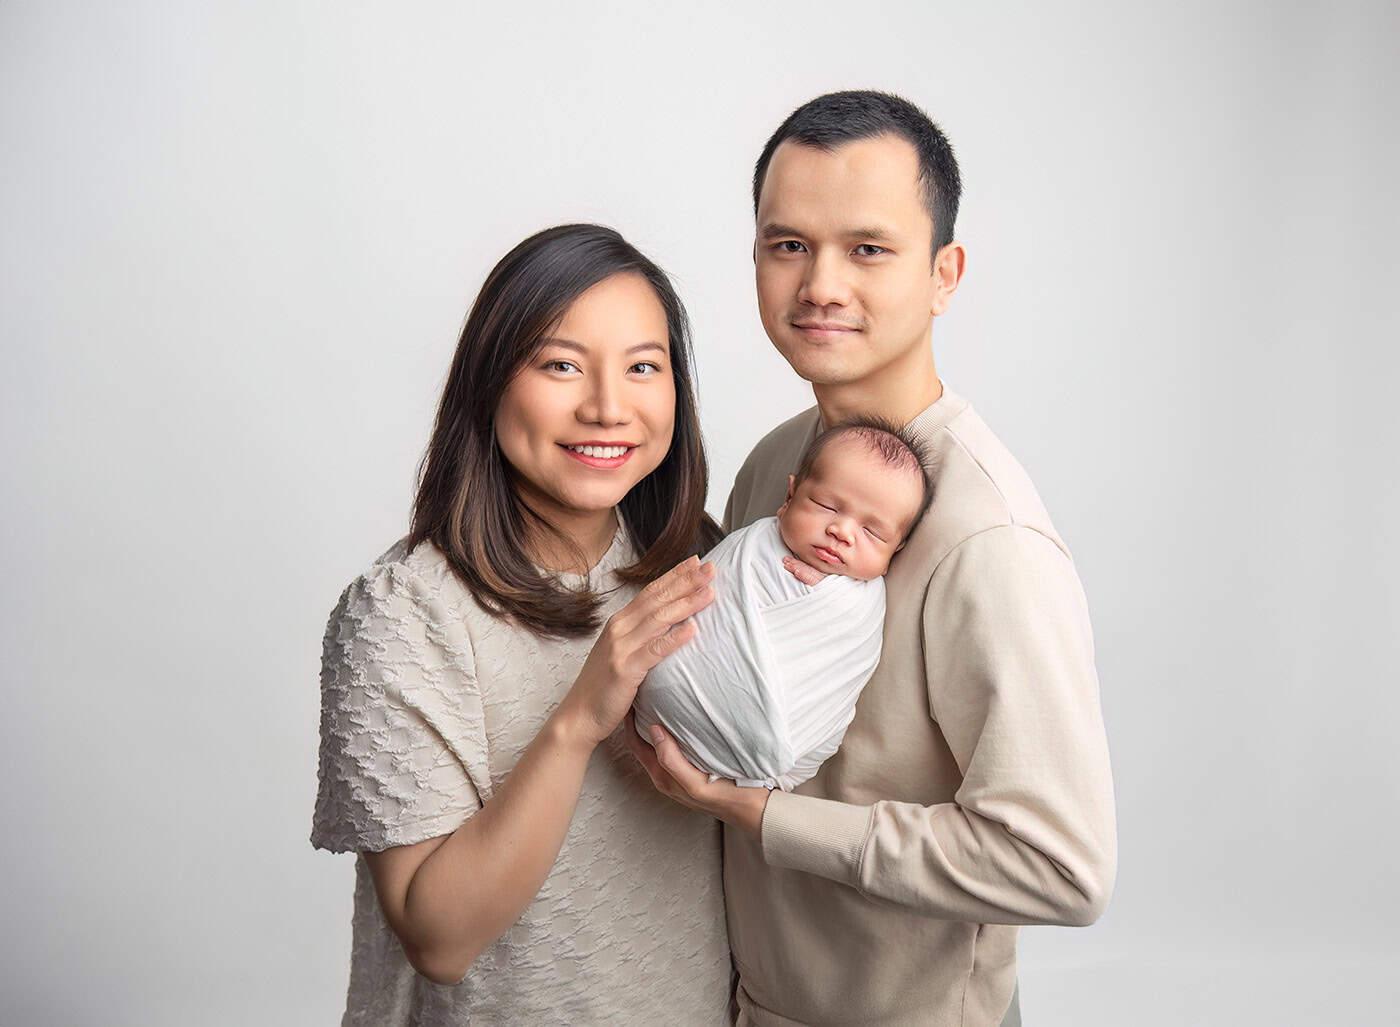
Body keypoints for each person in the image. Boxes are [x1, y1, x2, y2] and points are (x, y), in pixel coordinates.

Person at [625, 91, 1118, 1026]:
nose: (820, 284)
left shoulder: (991, 538)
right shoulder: (776, 463)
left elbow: (1063, 865)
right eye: (788, 244)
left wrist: (760, 815)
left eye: (868, 249)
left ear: (943, 275)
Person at [311, 224, 732, 1025]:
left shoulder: (698, 563)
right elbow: (439, 938)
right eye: (561, 365)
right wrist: (579, 719)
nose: (607, 407)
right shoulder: (402, 613)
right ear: (490, 379)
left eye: (643, 366)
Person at [632, 418, 931, 792]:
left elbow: (839, 677)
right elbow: (707, 601)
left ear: (896, 550)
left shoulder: (862, 606)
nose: (842, 532)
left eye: (872, 532)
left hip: (767, 755)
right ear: (790, 496)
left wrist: (828, 597)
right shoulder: (750, 546)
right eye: (826, 506)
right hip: (668, 696)